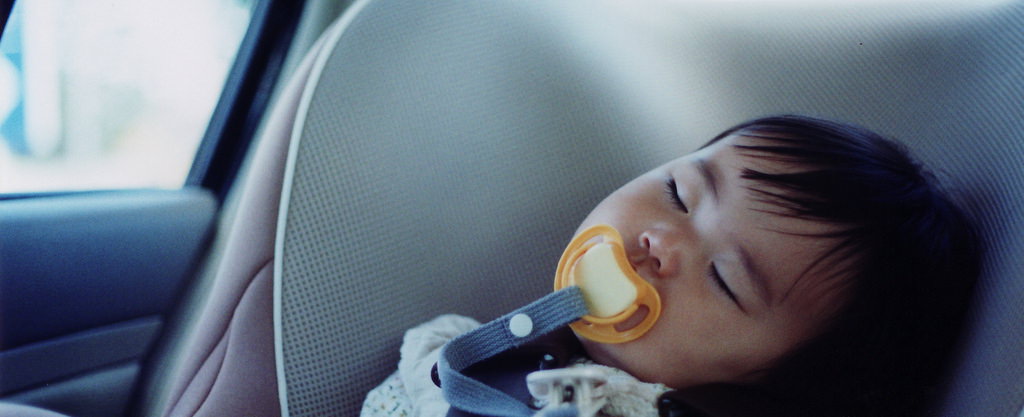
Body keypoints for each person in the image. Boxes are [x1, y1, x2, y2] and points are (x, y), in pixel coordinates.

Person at [360, 115, 981, 417]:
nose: (662, 241)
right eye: (680, 192)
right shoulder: (484, 350)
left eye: (723, 278)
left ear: (765, 390)